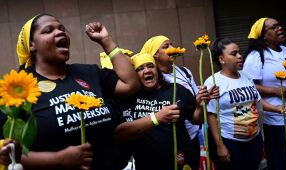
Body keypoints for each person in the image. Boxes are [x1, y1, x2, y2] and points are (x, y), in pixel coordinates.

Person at [0, 13, 140, 170]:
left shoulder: (89, 72)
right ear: (31, 45)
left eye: (61, 29)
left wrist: (106, 41)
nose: (60, 32)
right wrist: (58, 159)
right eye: (48, 30)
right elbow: (7, 151)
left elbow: (130, 85)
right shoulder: (19, 88)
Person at [114, 52, 215, 170]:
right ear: (134, 75)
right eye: (140, 68)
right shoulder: (130, 98)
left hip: (181, 160)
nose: (147, 71)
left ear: (157, 70)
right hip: (147, 163)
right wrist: (157, 117)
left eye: (150, 66)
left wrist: (200, 106)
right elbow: (120, 134)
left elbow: (196, 120)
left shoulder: (176, 89)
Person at [205, 38, 286, 170]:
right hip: (230, 141)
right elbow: (211, 115)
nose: (240, 56)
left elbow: (258, 101)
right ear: (221, 59)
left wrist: (276, 108)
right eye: (234, 53)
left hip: (254, 139)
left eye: (239, 52)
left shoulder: (246, 76)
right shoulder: (213, 81)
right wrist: (219, 145)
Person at [243, 17, 286, 170]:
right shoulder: (257, 56)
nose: (280, 28)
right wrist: (276, 91)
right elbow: (249, 86)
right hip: (278, 119)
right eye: (274, 27)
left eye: (279, 25)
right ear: (264, 36)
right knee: (282, 161)